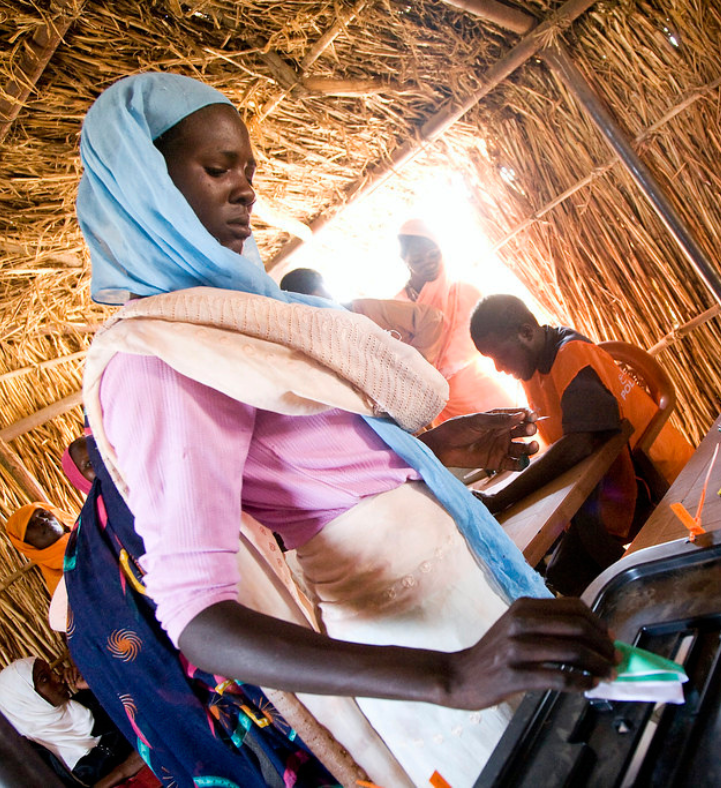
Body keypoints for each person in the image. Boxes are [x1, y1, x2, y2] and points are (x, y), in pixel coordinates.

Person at [67, 72, 617, 788]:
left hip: (460, 604)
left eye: (248, 169)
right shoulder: (159, 359)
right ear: (144, 186)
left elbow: (324, 477)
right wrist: (451, 675)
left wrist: (432, 452)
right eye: (216, 168)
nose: (245, 189)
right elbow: (198, 617)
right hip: (420, 643)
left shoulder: (246, 322)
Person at [470, 295, 695, 596]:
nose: (498, 368)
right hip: (611, 477)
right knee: (563, 568)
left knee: (573, 566)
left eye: (499, 356)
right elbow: (564, 439)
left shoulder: (571, 357)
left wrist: (500, 499)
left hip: (650, 475)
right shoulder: (535, 368)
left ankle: (662, 591)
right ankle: (651, 591)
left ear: (526, 333)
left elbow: (580, 445)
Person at [395, 219, 515, 420]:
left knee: (515, 440)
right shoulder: (399, 306)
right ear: (404, 259)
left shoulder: (466, 293)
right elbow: (403, 358)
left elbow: (481, 341)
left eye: (434, 254)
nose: (429, 262)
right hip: (441, 404)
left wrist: (438, 365)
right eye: (417, 259)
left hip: (481, 391)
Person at [0, 657, 152, 788]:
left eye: (51, 672)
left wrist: (95, 683)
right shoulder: (38, 757)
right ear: (24, 699)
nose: (57, 678)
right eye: (45, 679)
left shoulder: (89, 699)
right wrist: (123, 770)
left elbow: (146, 703)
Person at [282, 266, 447, 363]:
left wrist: (417, 363)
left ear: (324, 289)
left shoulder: (365, 309)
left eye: (316, 297)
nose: (318, 306)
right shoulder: (324, 338)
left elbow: (432, 318)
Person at [4, 502, 72, 595]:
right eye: (31, 524)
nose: (43, 521)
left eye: (43, 514)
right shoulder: (60, 590)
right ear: (26, 544)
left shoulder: (90, 533)